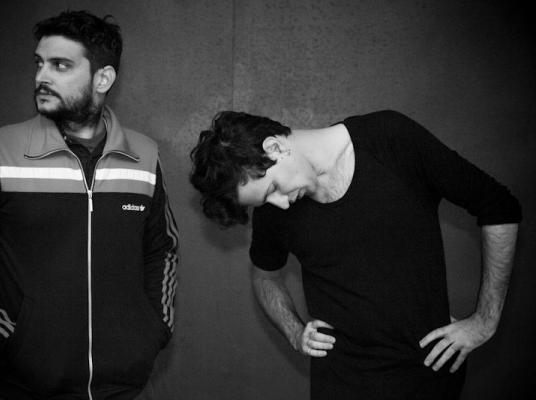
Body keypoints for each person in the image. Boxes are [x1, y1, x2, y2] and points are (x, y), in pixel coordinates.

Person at [189, 109, 520, 399]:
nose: (281, 204)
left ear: (275, 147)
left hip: (428, 373)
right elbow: (264, 275)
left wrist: (485, 320)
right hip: (342, 381)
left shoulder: (389, 138)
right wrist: (294, 331)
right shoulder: (274, 211)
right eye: (266, 201)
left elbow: (498, 205)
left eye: (273, 189)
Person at [0, 10, 179, 400]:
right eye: (39, 63)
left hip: (126, 385)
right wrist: (14, 343)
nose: (41, 77)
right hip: (29, 386)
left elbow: (163, 249)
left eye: (60, 65)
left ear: (103, 78)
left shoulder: (145, 156)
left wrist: (155, 328)